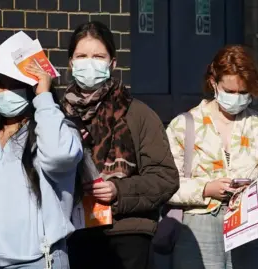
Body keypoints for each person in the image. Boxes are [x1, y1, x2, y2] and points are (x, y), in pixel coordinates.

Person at [165, 45, 258, 269]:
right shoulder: (184, 125)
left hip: (251, 227)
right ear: (214, 83)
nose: (236, 98)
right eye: (230, 91)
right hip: (198, 227)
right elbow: (165, 184)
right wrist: (206, 189)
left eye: (243, 93)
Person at [62, 21, 179, 269]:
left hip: (127, 234)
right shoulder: (57, 115)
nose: (89, 63)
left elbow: (165, 177)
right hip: (71, 233)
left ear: (112, 63)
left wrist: (118, 191)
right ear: (71, 63)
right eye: (82, 56)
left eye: (98, 56)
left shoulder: (138, 114)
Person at [0, 41, 83, 267]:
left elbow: (60, 156)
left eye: (15, 84)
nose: (5, 92)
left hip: (37, 261)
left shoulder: (54, 132)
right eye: (0, 84)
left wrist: (44, 98)